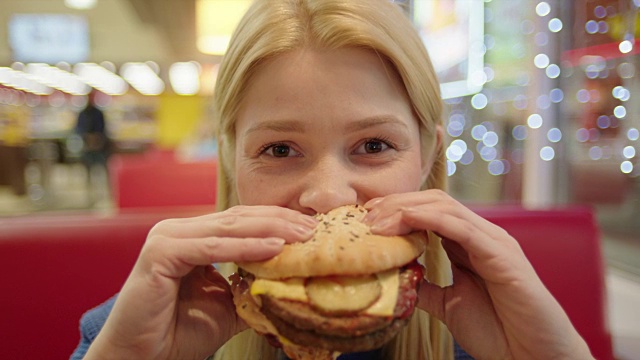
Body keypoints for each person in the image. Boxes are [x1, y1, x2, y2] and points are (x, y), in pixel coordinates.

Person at [74, 0, 594, 359]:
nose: (326, 197)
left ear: (429, 154)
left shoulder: (494, 332)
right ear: (232, 160)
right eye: (279, 149)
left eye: (373, 146)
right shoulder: (132, 332)